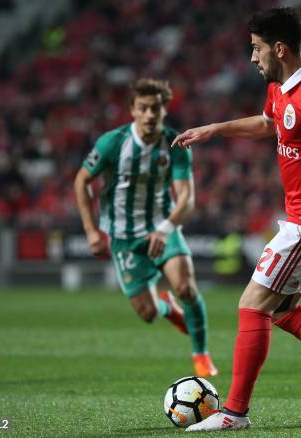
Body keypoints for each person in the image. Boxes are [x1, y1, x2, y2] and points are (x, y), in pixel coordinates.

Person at [172, 7, 301, 431]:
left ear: (280, 48)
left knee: (251, 304)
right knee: (285, 310)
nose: (252, 58)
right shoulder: (282, 86)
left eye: (256, 49)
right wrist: (215, 128)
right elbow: (269, 124)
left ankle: (233, 414)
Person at [74, 78, 217, 378]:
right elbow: (82, 181)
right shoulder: (112, 143)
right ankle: (166, 307)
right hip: (124, 238)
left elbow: (186, 200)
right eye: (143, 108)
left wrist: (164, 230)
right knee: (148, 313)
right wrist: (90, 231)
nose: (150, 115)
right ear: (132, 111)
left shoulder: (175, 145)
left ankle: (201, 355)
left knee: (186, 287)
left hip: (162, 228)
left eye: (156, 108)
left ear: (165, 110)